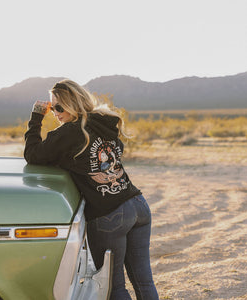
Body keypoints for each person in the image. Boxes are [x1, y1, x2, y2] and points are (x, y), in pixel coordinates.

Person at [24, 79, 159, 300]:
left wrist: (37, 117)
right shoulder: (104, 122)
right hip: (138, 205)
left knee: (114, 288)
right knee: (144, 281)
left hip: (109, 215)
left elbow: (33, 155)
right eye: (52, 109)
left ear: (73, 103)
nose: (55, 113)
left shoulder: (70, 133)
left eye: (59, 107)